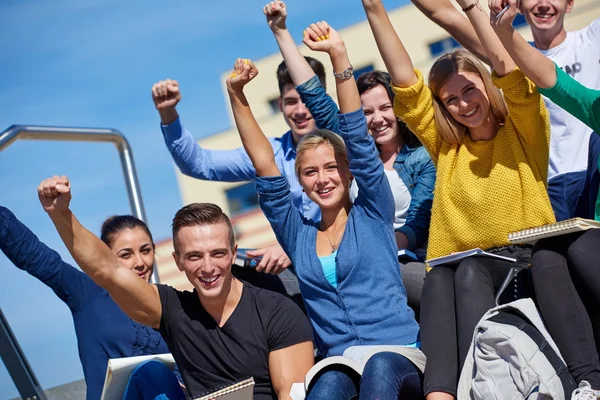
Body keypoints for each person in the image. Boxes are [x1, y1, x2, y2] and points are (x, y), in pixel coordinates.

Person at [360, 0, 556, 398]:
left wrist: (472, 10)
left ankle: (478, 387)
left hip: (520, 263)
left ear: (487, 85)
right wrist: (373, 8)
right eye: (452, 100)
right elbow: (406, 86)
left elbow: (512, 75)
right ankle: (440, 394)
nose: (464, 105)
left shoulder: (523, 131)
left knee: (465, 273)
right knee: (436, 280)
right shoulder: (448, 146)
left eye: (470, 90)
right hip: (456, 268)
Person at [226, 20, 425, 400]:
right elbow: (264, 163)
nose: (323, 179)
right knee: (328, 385)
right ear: (300, 182)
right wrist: (237, 94)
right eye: (310, 172)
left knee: (380, 367)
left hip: (399, 356)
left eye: (332, 167)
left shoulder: (372, 210)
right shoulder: (298, 234)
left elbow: (356, 135)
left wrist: (339, 57)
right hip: (339, 362)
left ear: (348, 172)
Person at [37, 176, 314, 400]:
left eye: (217, 253)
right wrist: (60, 213)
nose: (207, 267)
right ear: (178, 261)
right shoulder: (174, 309)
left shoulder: (278, 312)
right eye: (194, 256)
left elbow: (291, 394)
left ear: (233, 253)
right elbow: (107, 270)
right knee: (150, 374)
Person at [263, 0, 435, 317]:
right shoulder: (353, 149)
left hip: (405, 258)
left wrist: (379, 246)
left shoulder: (421, 158)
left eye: (385, 108)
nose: (378, 119)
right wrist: (281, 32)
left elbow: (418, 225)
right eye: (366, 112)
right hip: (353, 256)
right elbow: (312, 92)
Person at [489, 1, 600, 397]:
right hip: (579, 216)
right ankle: (590, 382)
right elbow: (554, 80)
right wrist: (503, 33)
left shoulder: (590, 38)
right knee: (548, 257)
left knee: (583, 249)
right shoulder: (597, 108)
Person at [152, 55, 333, 274]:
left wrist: (295, 246)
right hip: (298, 271)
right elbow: (200, 165)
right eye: (291, 101)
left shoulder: (344, 143)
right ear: (280, 104)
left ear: (322, 99)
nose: (301, 111)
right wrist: (168, 114)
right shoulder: (268, 153)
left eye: (307, 101)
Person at [0, 206, 184, 400]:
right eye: (126, 255)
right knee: (151, 370)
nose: (140, 262)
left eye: (145, 251)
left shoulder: (167, 306)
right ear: (105, 258)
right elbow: (33, 254)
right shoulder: (87, 294)